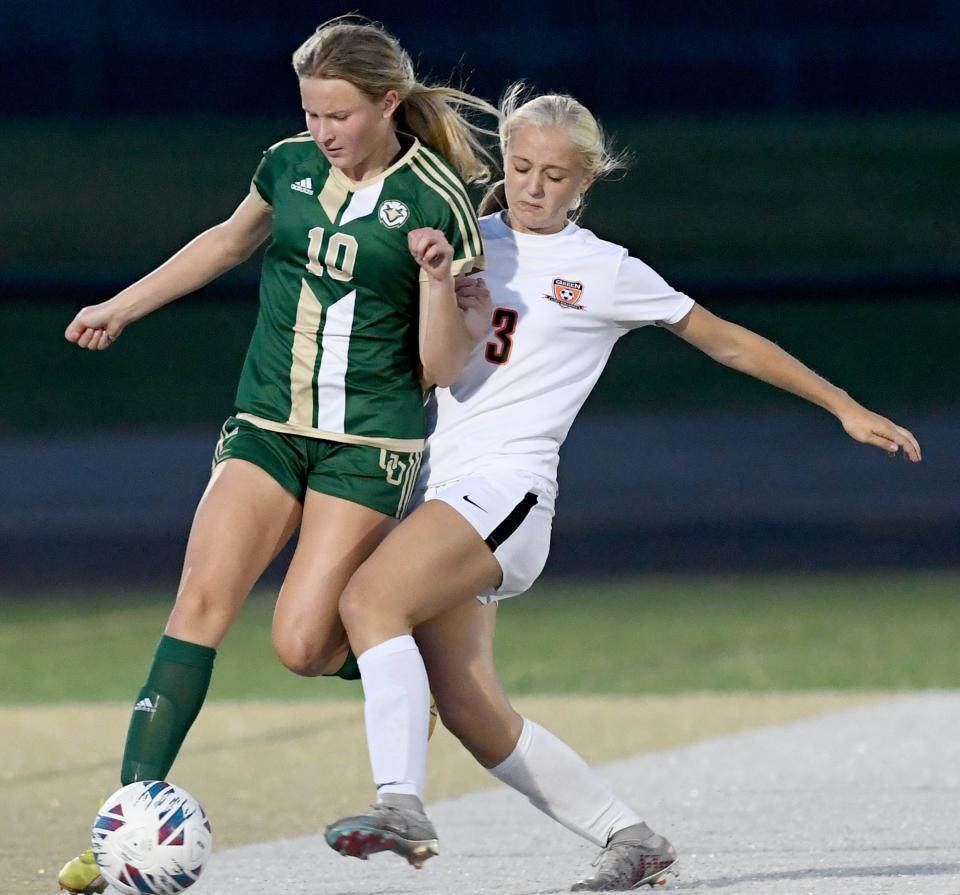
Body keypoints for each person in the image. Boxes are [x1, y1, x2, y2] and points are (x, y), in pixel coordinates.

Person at [321, 86, 922, 891]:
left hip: (508, 495)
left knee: (369, 602)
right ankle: (632, 838)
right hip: (447, 489)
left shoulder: (604, 271)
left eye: (557, 175)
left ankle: (399, 801)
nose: (535, 185)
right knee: (469, 705)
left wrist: (842, 404)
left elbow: (727, 341)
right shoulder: (466, 239)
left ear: (587, 182)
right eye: (523, 166)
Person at [56, 17, 495, 895]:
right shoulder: (286, 165)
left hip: (369, 441)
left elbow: (445, 369)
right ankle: (126, 828)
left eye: (338, 114)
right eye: (310, 111)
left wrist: (440, 281)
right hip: (267, 422)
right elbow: (226, 240)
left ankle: (405, 670)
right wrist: (124, 304)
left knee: (300, 643)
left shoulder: (436, 200)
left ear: (388, 103)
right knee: (200, 601)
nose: (322, 131)